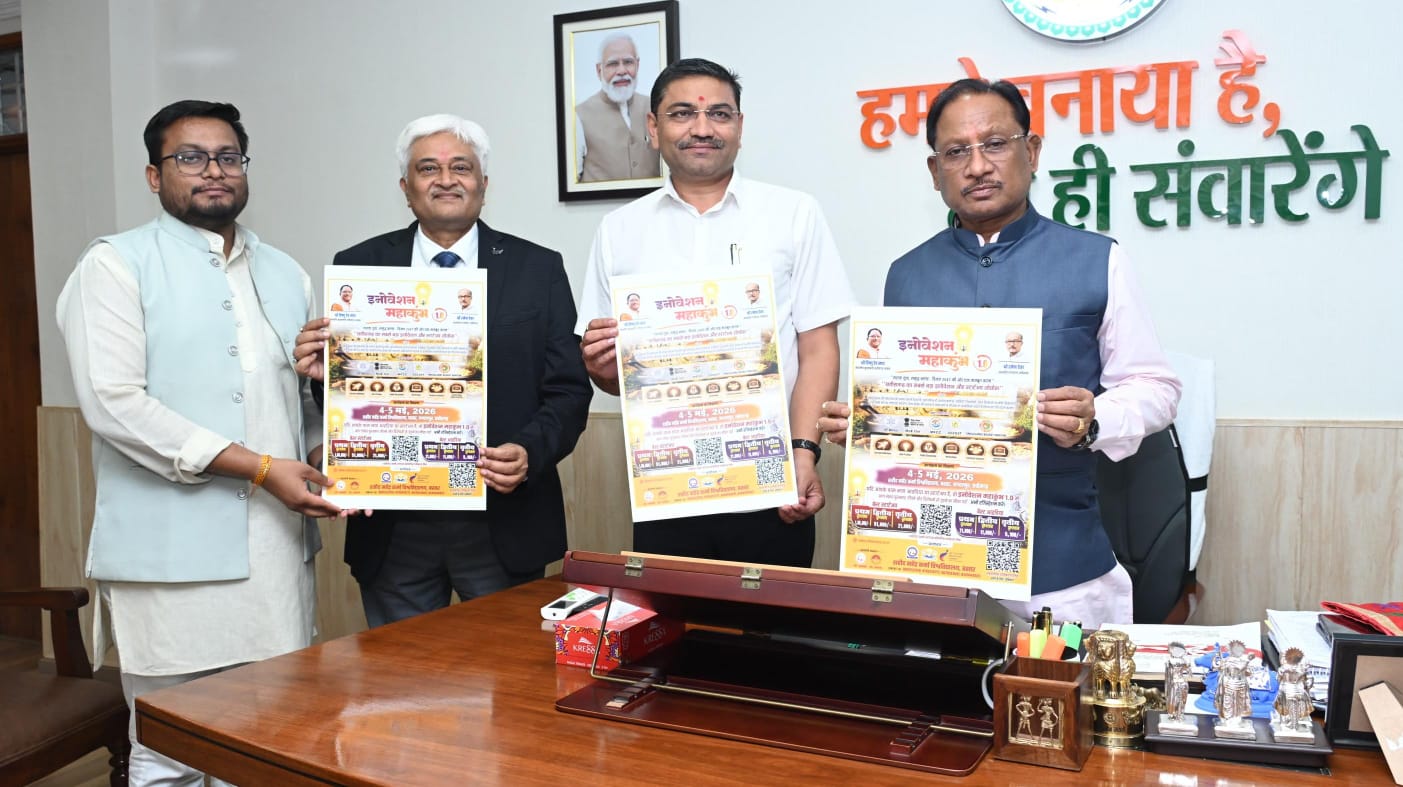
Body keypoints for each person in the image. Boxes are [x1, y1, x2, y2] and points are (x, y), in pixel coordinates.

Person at [817, 79, 1180, 629]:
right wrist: (870, 425)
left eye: (994, 144)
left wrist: (1094, 419)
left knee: (1064, 688)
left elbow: (1157, 388)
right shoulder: (906, 275)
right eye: (956, 152)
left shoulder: (1098, 260)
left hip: (1062, 569)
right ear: (935, 171)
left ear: (1031, 151)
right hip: (932, 564)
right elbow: (914, 402)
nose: (977, 166)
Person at [56, 99, 345, 785]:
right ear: (154, 176)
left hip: (274, 553)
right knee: (173, 749)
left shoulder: (287, 272)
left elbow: (293, 402)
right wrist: (260, 468)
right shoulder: (114, 265)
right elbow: (115, 404)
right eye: (190, 157)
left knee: (270, 739)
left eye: (228, 156)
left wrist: (325, 453)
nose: (213, 170)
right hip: (168, 559)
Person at [294, 114, 592, 627]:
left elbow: (568, 390)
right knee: (400, 674)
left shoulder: (537, 268)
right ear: (406, 188)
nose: (446, 179)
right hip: (393, 524)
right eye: (428, 168)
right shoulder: (360, 266)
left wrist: (529, 453)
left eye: (461, 167)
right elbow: (348, 400)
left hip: (504, 518)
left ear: (483, 184)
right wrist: (326, 376)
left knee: (507, 670)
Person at [578, 58, 854, 568]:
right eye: (683, 114)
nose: (702, 128)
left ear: (740, 128)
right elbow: (613, 377)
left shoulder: (794, 214)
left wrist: (803, 452)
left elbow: (818, 349)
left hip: (773, 485)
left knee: (771, 617)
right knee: (672, 617)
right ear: (653, 127)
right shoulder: (619, 230)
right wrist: (601, 368)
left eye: (719, 114)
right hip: (666, 482)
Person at [575, 32, 661, 182]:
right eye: (613, 64)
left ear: (637, 65)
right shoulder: (578, 116)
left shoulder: (655, 107)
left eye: (628, 62)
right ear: (599, 70)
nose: (621, 71)